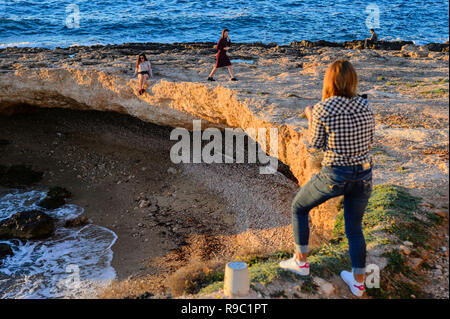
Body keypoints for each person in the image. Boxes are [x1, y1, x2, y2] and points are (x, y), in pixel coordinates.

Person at [279, 60, 375, 297]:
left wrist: (311, 116)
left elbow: (316, 145)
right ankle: (359, 282)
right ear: (353, 80)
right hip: (363, 174)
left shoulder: (323, 108)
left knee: (299, 207)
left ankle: (301, 261)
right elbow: (369, 140)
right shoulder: (365, 105)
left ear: (329, 81)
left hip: (336, 174)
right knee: (354, 229)